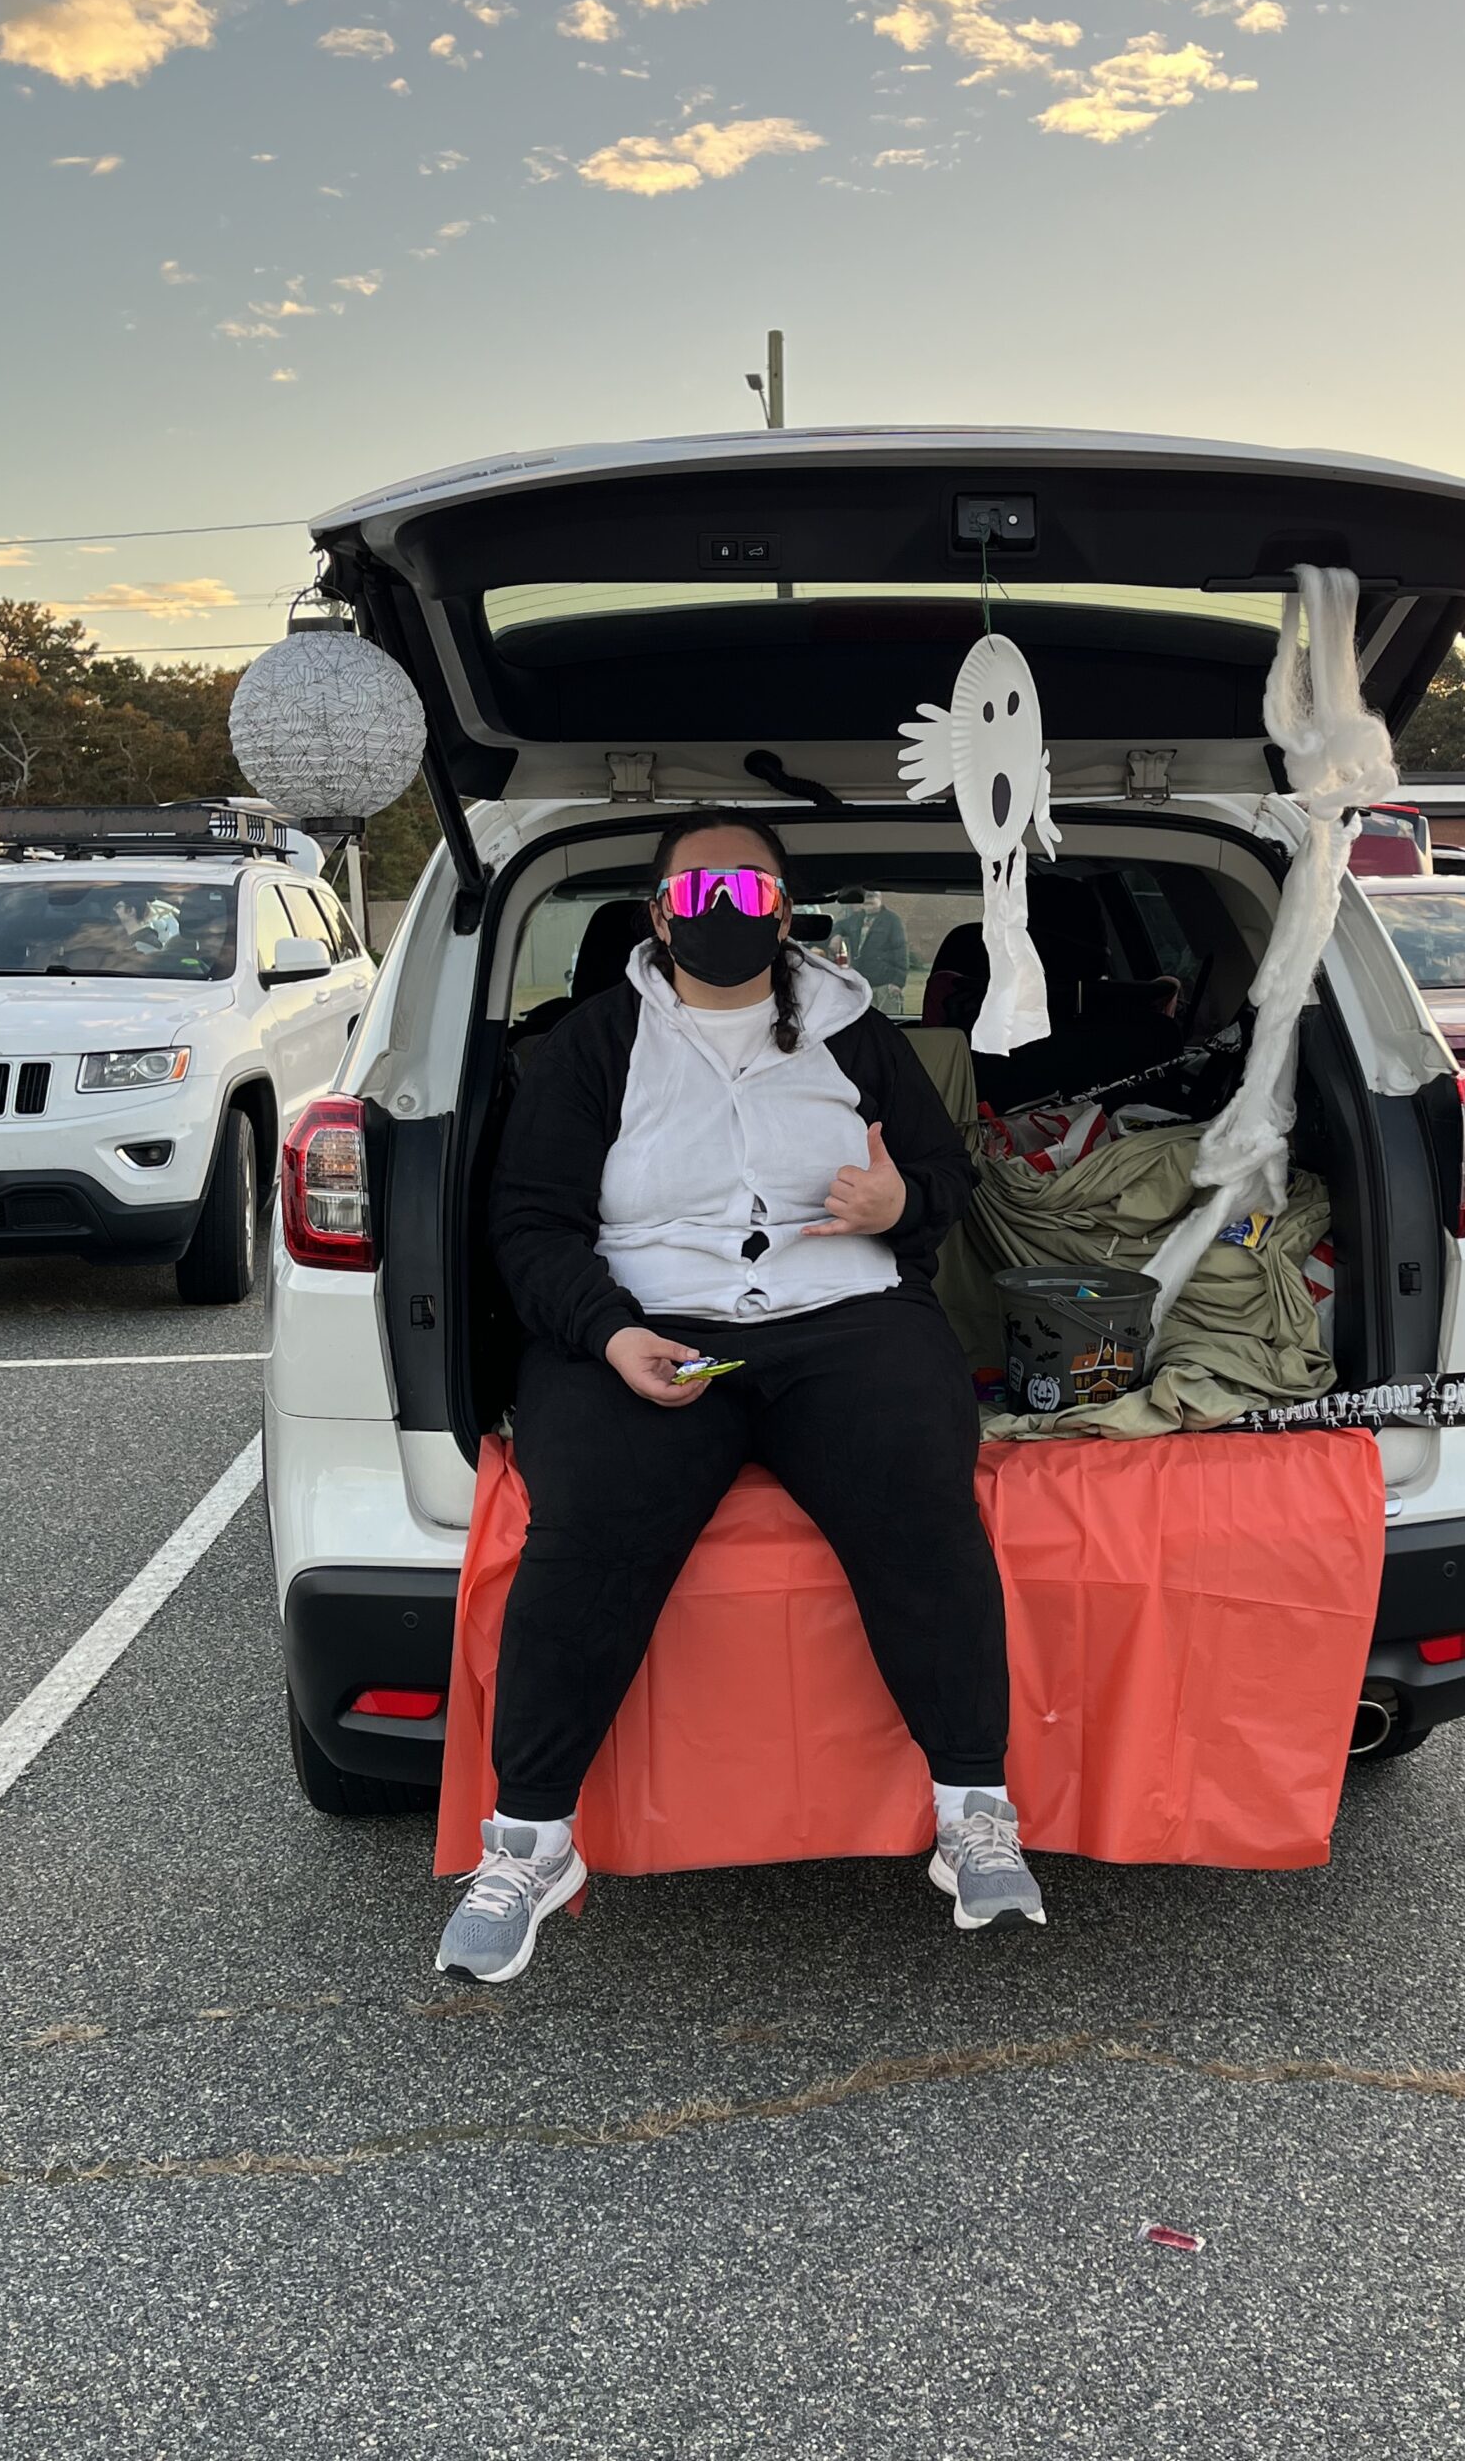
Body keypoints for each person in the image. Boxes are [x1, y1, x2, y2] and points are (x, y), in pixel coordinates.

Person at [438, 809, 1044, 1982]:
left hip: (839, 1314)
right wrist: (610, 1333)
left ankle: (974, 1809)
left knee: (921, 1496)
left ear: (786, 912)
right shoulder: (592, 1044)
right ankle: (529, 1841)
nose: (725, 911)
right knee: (590, 1520)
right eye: (699, 893)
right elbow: (531, 1225)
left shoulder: (854, 1033)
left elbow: (942, 1174)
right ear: (660, 916)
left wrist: (898, 1206)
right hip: (650, 1319)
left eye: (751, 893)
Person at [832, 887, 910, 1015]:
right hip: (862, 985)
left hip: (885, 985)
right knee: (864, 1022)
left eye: (872, 897)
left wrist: (898, 982)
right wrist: (837, 935)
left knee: (889, 1021)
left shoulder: (892, 920)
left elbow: (900, 951)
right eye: (865, 898)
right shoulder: (855, 919)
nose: (868, 901)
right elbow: (838, 925)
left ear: (880, 898)